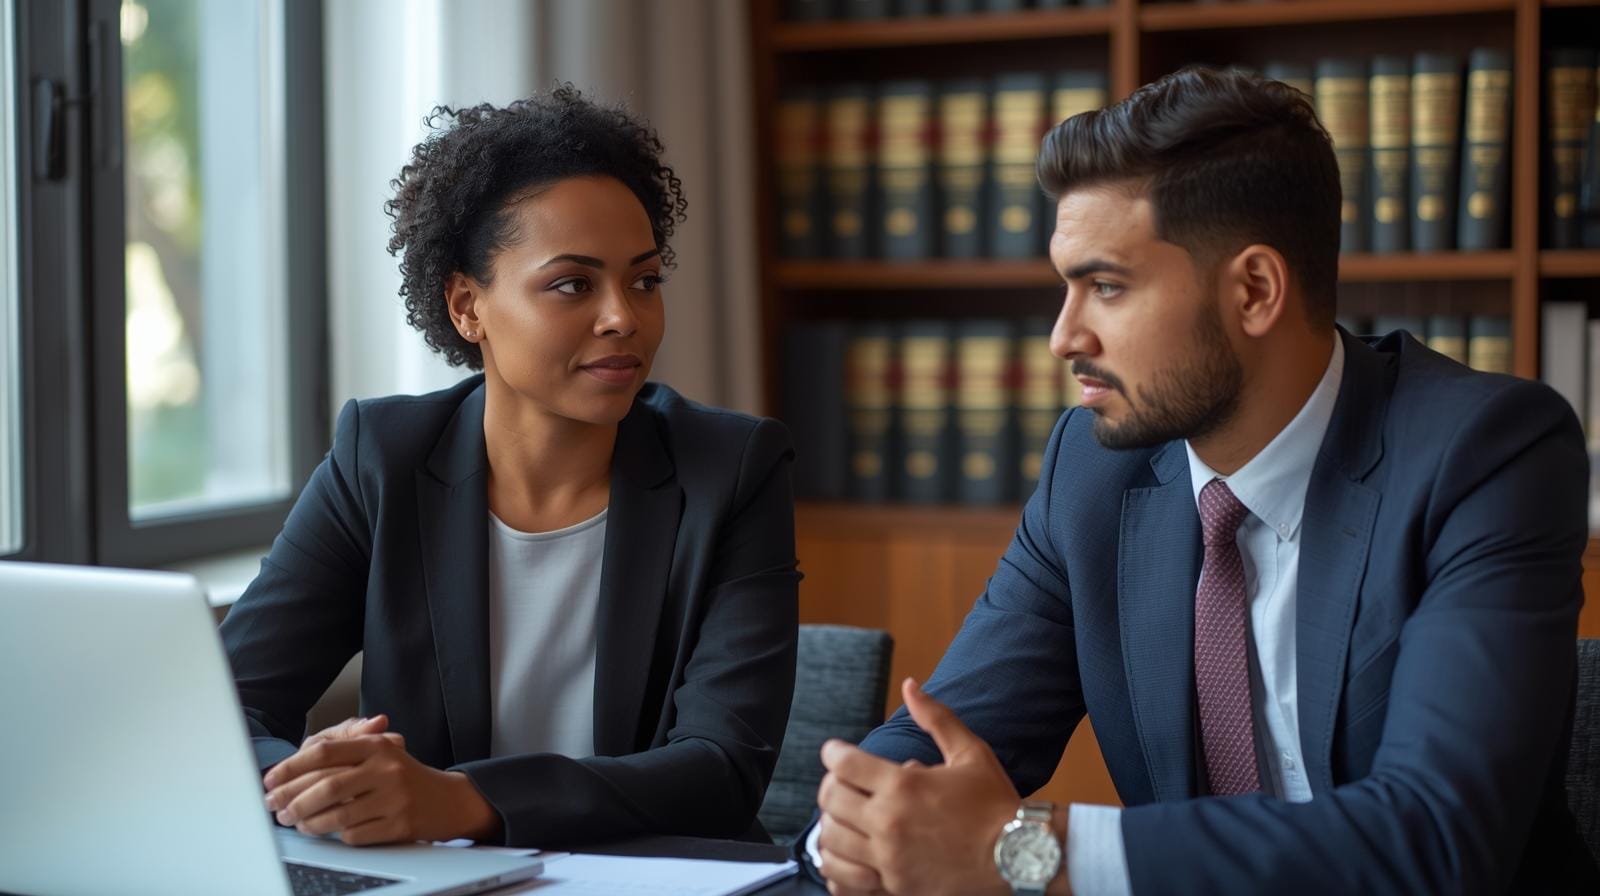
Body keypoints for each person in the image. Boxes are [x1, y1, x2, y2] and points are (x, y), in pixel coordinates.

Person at [805, 66, 1598, 894]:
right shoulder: (1092, 469)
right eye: (1065, 288)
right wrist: (861, 824)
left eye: (1106, 287)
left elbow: (1436, 839)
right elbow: (942, 736)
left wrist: (1031, 850)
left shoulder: (1485, 454)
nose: (1063, 337)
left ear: (1254, 291)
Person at [221, 86, 799, 849]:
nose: (623, 316)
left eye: (644, 280)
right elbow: (224, 709)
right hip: (439, 881)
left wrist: (465, 801)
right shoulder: (382, 460)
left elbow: (722, 770)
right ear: (467, 305)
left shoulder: (731, 472)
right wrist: (321, 783)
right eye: (573, 284)